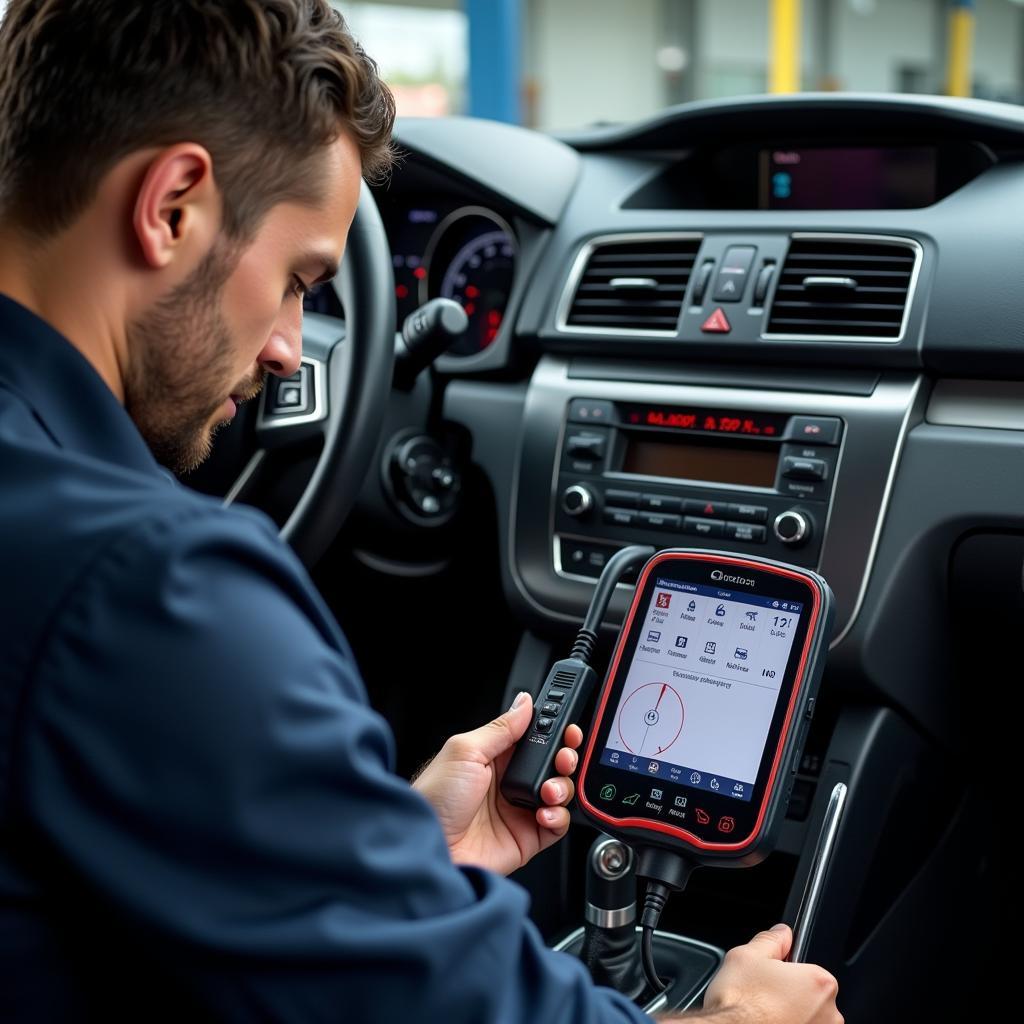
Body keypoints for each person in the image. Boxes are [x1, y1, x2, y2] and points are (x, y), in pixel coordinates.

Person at [0, 2, 842, 1022]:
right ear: (173, 205)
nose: (285, 349)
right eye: (299, 280)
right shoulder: (151, 585)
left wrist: (374, 848)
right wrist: (729, 1018)